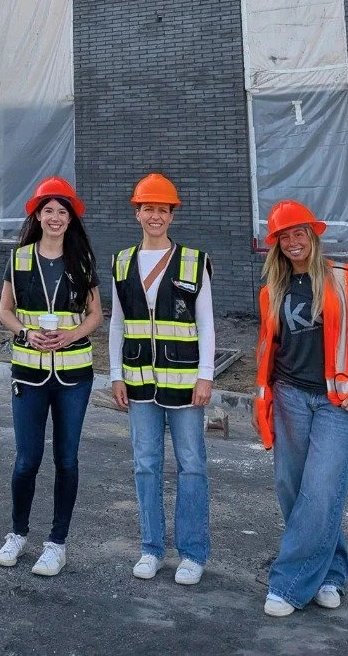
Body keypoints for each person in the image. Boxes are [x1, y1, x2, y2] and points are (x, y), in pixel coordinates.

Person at [253, 200, 348, 618]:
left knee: (322, 488)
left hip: (335, 400)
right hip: (289, 396)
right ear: (277, 244)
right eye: (284, 237)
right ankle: (331, 573)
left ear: (313, 234)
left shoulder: (343, 278)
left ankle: (288, 584)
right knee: (294, 489)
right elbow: (271, 348)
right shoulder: (273, 290)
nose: (293, 242)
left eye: (298, 233)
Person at [0, 176, 103, 577]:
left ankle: (57, 543)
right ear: (37, 216)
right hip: (29, 371)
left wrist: (71, 334)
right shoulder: (19, 258)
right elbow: (5, 311)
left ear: (71, 219)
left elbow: (96, 315)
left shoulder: (82, 260)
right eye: (49, 211)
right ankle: (17, 534)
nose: (55, 217)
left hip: (74, 374)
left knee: (66, 459)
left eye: (63, 211)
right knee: (26, 459)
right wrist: (26, 332)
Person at [110, 173, 215, 585]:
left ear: (172, 215)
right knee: (145, 466)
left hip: (186, 383)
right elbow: (117, 324)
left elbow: (206, 324)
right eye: (148, 208)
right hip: (139, 384)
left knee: (192, 467)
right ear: (137, 213)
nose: (155, 215)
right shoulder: (122, 261)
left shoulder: (192, 260)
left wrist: (205, 376)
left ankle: (192, 553)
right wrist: (116, 374)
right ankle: (151, 548)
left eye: (162, 209)